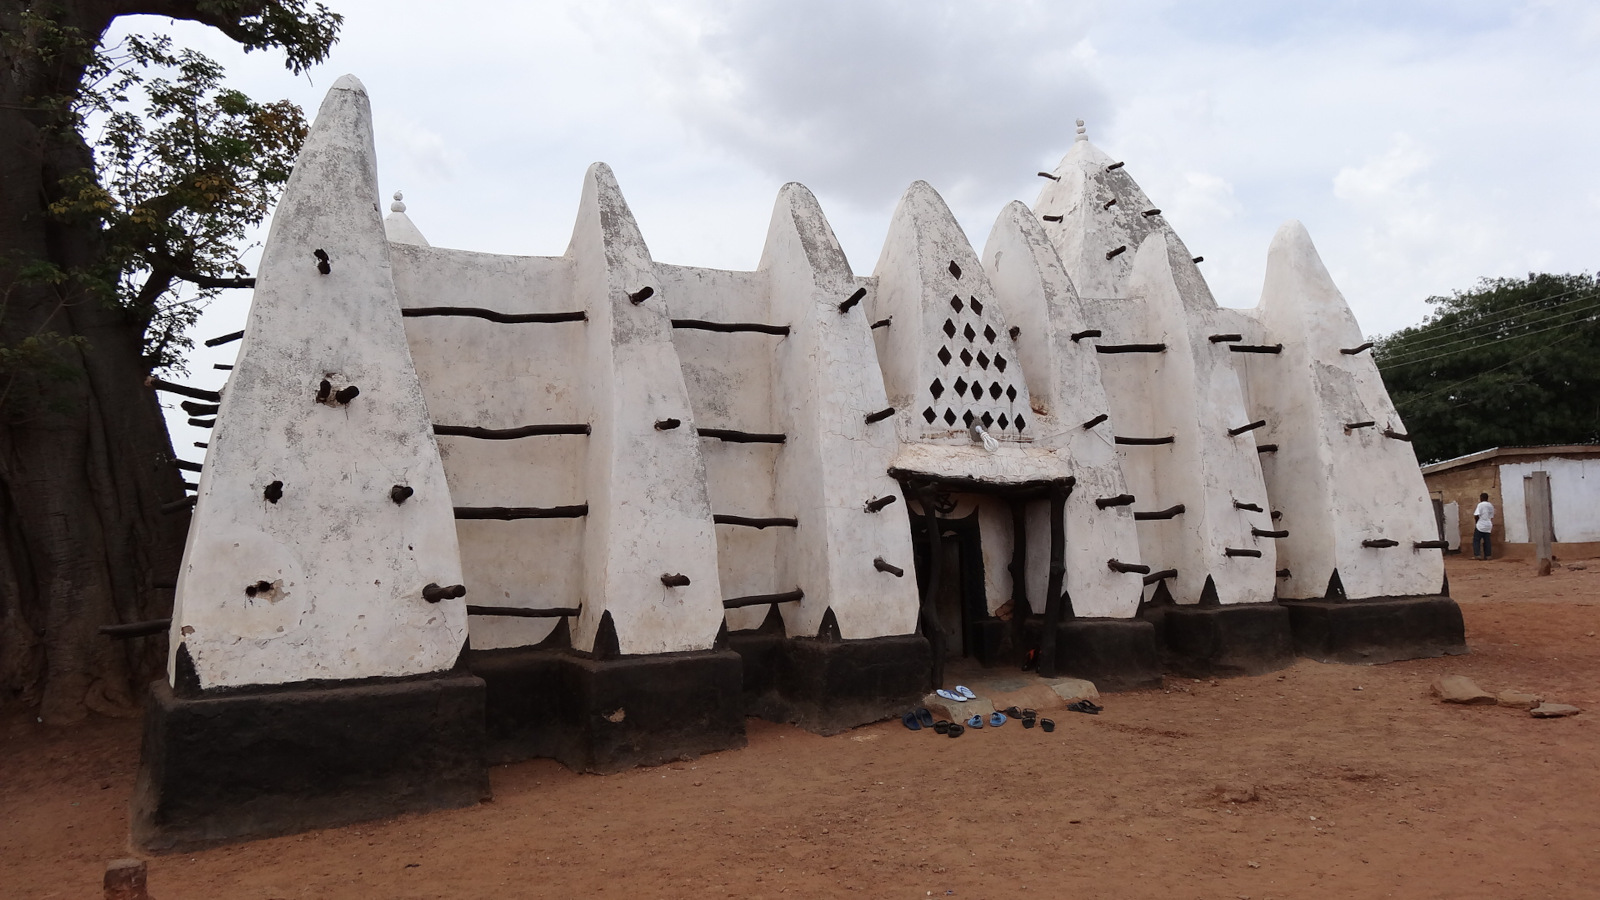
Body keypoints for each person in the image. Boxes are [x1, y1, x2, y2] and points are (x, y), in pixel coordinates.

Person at [1473, 492, 1495, 560]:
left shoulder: (1480, 505)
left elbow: (1476, 515)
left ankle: (1477, 555)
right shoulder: (1490, 505)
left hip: (1481, 525)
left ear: (1481, 498)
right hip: (1488, 525)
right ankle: (1488, 555)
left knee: (1476, 540)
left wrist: (1477, 522)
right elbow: (1491, 516)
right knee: (1487, 540)